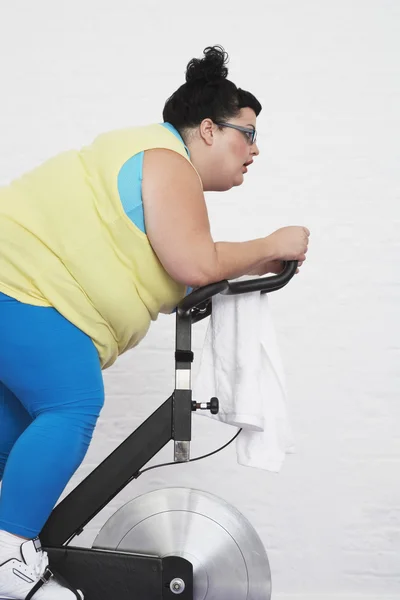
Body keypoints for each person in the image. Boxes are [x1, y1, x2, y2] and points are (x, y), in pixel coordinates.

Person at [0, 45, 310, 599]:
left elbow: (182, 271)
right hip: (22, 285)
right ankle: (6, 558)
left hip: (24, 293)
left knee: (14, 433)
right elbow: (194, 261)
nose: (255, 150)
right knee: (70, 405)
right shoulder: (167, 159)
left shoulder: (157, 168)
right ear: (208, 130)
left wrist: (255, 262)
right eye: (248, 133)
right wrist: (272, 243)